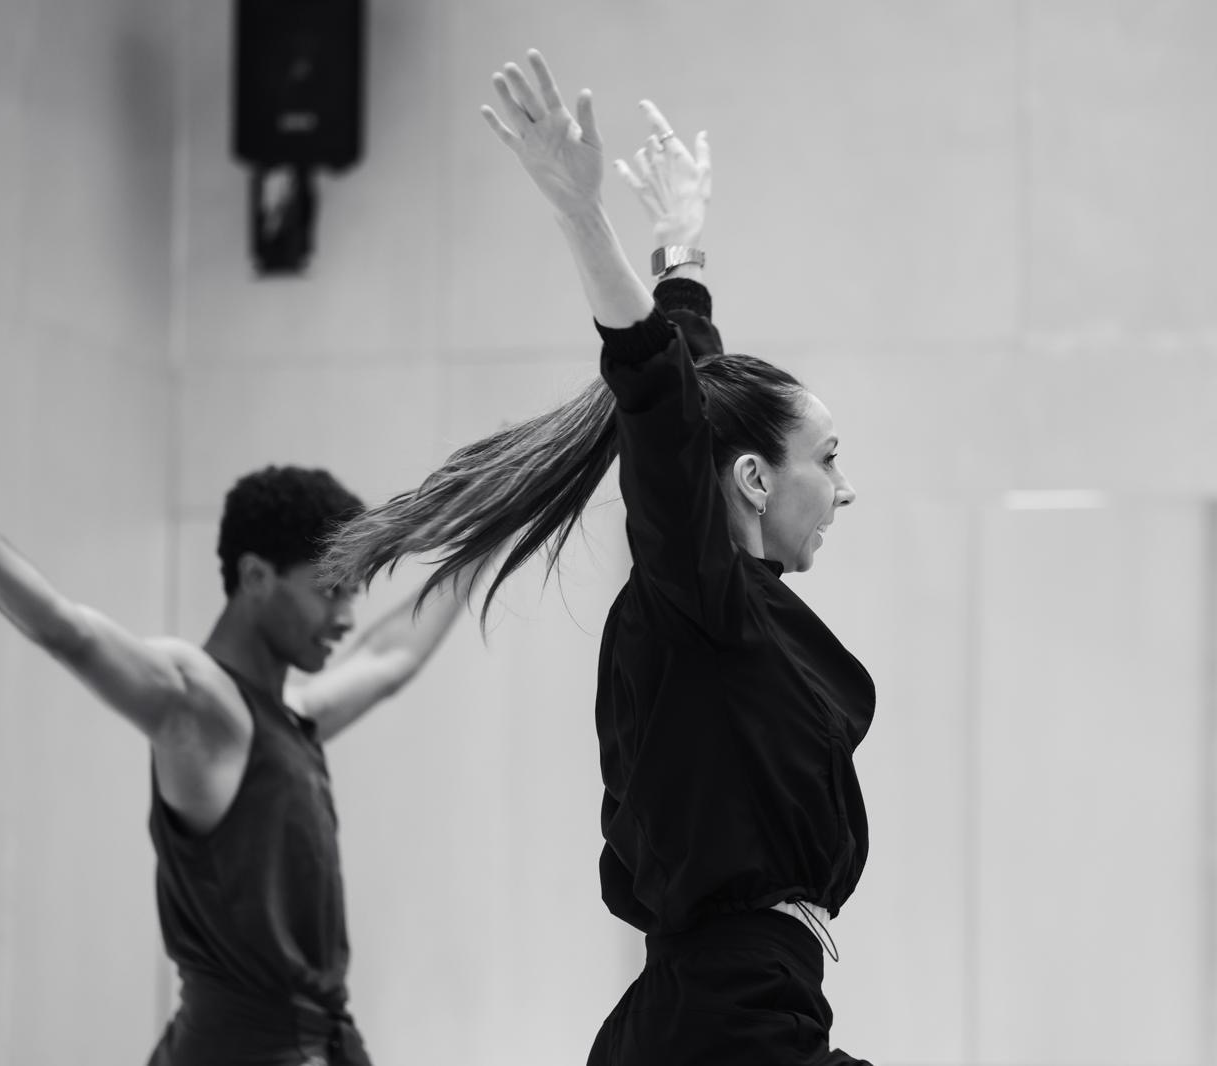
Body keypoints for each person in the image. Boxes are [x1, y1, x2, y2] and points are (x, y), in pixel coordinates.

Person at [318, 51, 874, 1065]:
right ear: (753, 479)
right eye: (828, 459)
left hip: (733, 1016)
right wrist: (583, 215)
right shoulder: (701, 601)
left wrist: (682, 247)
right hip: (727, 1027)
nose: (844, 487)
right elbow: (662, 403)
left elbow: (686, 392)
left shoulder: (722, 602)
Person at [0, 375, 473, 1066]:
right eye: (330, 592)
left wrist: (481, 539)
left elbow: (390, 659)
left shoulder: (289, 717)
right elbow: (67, 633)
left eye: (355, 593)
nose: (347, 617)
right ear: (256, 577)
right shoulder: (196, 701)